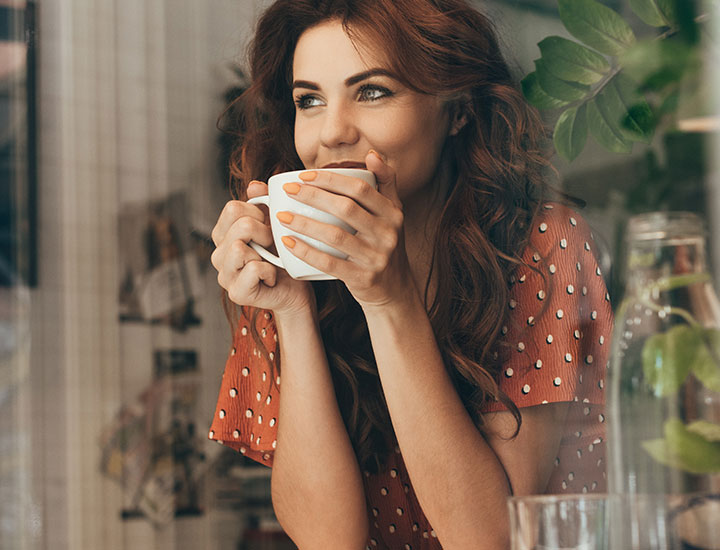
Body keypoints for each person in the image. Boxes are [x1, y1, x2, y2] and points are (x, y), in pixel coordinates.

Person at [208, 0, 613, 548]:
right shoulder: (290, 262)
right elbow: (329, 540)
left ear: (458, 110)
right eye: (309, 100)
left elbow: (486, 538)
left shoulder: (542, 245)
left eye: (372, 91)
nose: (331, 133)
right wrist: (291, 310)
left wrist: (388, 302)